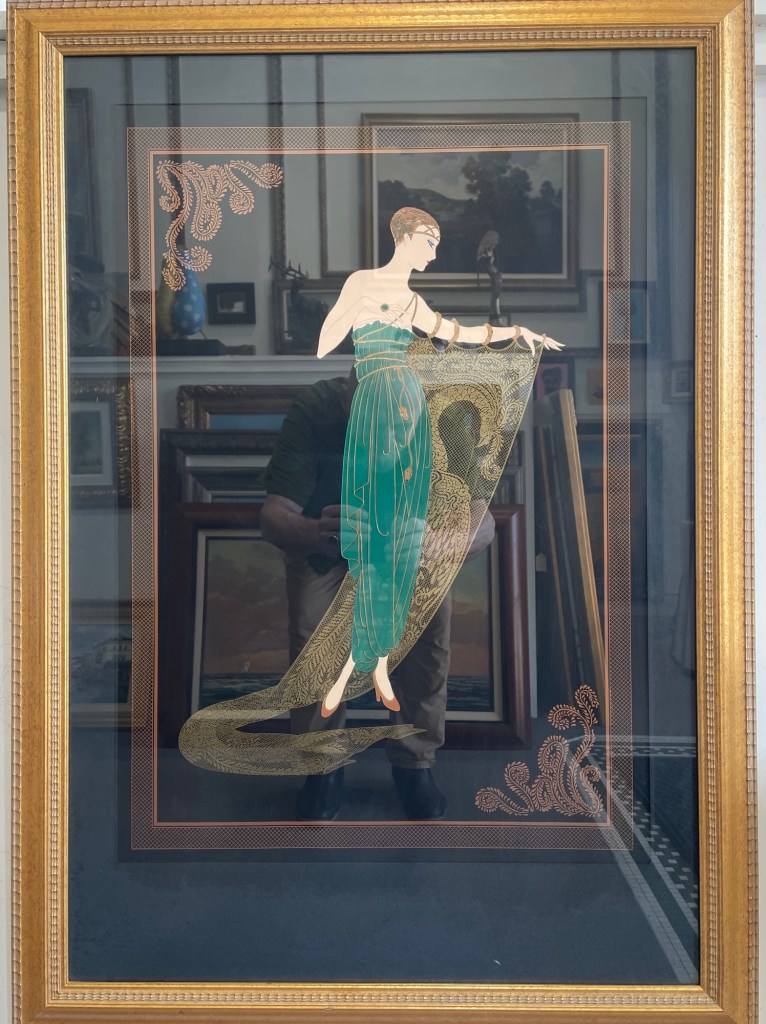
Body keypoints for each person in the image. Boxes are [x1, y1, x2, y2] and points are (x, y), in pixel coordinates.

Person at [315, 206, 562, 719]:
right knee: (368, 562)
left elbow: (462, 332)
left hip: (400, 417)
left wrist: (521, 334)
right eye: (429, 242)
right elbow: (328, 338)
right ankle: (343, 684)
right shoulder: (364, 285)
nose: (434, 252)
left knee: (411, 571)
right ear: (404, 237)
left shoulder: (418, 313)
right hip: (374, 402)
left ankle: (383, 682)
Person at [260, 371, 495, 821]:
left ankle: (415, 763)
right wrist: (316, 531)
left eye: (399, 426)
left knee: (428, 641)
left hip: (413, 548)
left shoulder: (450, 413)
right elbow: (274, 515)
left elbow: (483, 524)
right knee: (313, 636)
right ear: (347, 396)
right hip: (329, 545)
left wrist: (437, 543)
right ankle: (322, 766)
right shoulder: (314, 408)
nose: (385, 445)